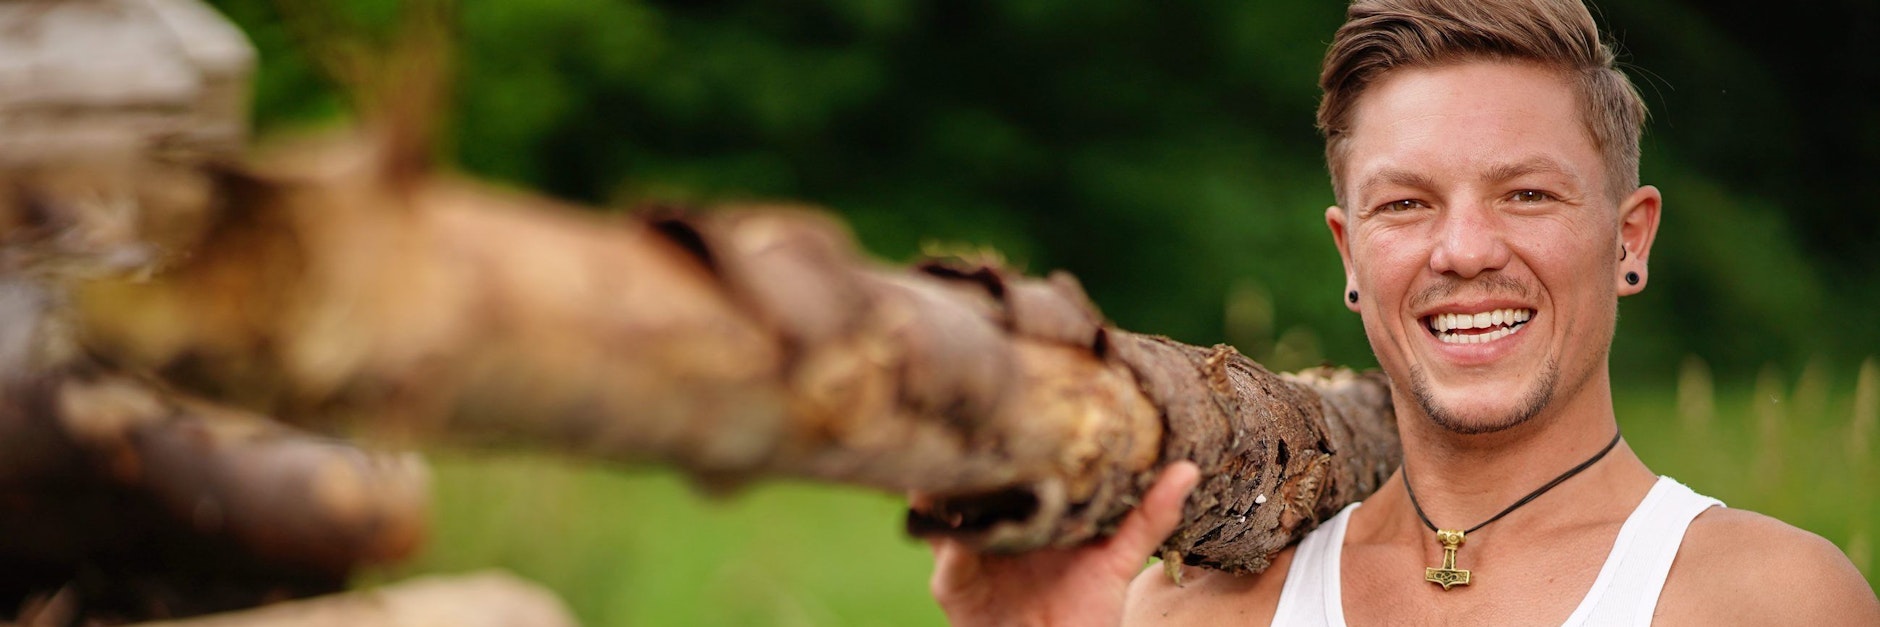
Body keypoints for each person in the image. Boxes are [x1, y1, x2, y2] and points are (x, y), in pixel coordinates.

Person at [927, 0, 1880, 624]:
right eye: (1406, 203)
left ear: (1629, 238)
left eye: (1527, 195)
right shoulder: (1204, 610)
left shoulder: (1770, 598)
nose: (1462, 250)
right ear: (1350, 252)